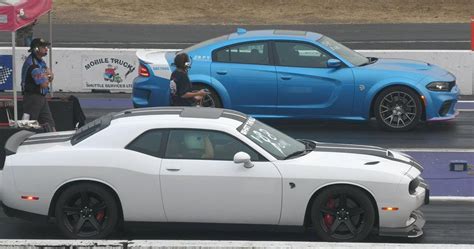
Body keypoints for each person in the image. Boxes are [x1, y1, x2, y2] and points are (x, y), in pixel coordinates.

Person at [21, 38, 56, 132]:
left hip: (40, 98)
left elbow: (50, 76)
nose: (46, 49)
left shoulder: (40, 61)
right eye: (43, 47)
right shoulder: (33, 65)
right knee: (27, 125)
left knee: (49, 123)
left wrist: (46, 75)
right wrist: (47, 75)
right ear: (36, 49)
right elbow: (44, 84)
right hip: (32, 99)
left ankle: (53, 139)